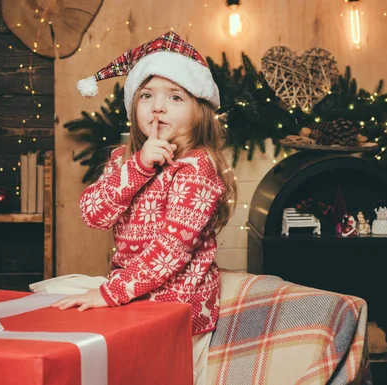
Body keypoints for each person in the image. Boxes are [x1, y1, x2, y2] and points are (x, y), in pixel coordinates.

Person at [51, 31, 237, 384]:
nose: (158, 107)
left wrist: (110, 293)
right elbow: (93, 213)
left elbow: (170, 251)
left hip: (179, 309)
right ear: (133, 106)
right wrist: (137, 167)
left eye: (175, 97)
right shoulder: (123, 160)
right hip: (130, 300)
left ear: (200, 112)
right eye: (147, 95)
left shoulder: (198, 167)